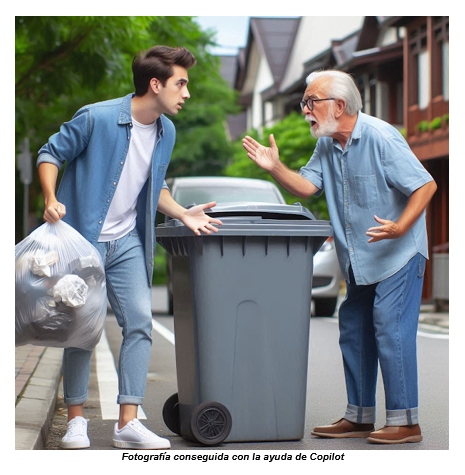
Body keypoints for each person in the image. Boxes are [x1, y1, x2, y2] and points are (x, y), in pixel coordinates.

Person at [37, 45, 223, 450]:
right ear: (155, 84)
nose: (186, 93)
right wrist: (51, 198)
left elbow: (154, 187)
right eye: (181, 83)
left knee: (139, 322)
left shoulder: (166, 132)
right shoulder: (98, 117)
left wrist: (182, 214)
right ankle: (76, 422)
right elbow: (50, 153)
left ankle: (127, 423)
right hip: (81, 241)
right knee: (81, 329)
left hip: (128, 243)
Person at [242, 69, 437, 445]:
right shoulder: (327, 144)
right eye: (304, 103)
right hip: (361, 257)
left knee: (389, 326)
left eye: (310, 102)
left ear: (339, 105)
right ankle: (360, 416)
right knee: (353, 328)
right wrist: (274, 168)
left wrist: (399, 226)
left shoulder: (381, 137)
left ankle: (406, 421)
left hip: (399, 252)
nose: (305, 110)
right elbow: (308, 187)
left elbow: (425, 184)